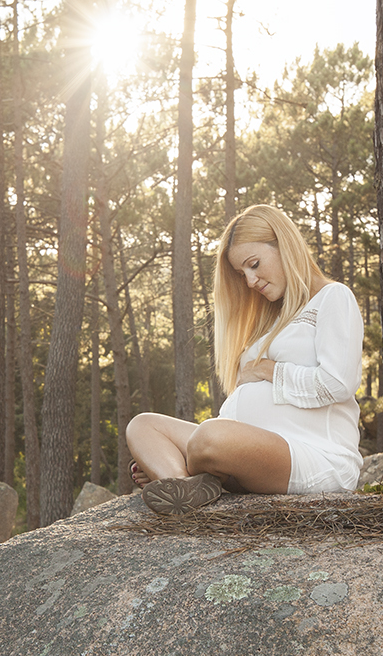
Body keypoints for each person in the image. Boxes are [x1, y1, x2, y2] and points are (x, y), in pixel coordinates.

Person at [127, 203, 364, 515]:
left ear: (284, 244)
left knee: (208, 437)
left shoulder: (333, 298)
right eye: (242, 273)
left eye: (254, 264)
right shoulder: (269, 320)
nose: (251, 282)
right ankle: (182, 484)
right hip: (246, 450)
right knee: (143, 426)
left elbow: (337, 384)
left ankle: (196, 468)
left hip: (314, 455)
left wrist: (268, 370)